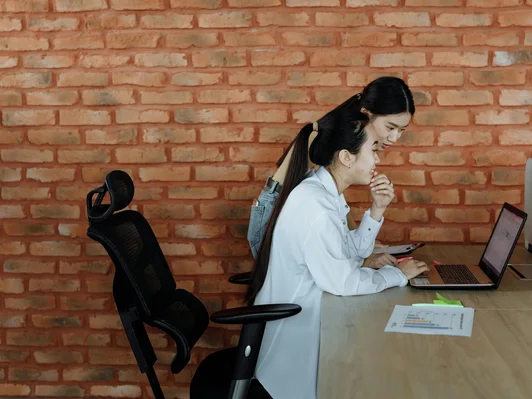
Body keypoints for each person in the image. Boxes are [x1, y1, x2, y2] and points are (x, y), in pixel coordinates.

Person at [247, 96, 429, 399]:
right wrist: (398, 275)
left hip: (316, 319)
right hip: (296, 347)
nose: (378, 159)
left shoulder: (322, 189)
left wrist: (377, 210)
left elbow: (349, 252)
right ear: (347, 157)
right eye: (373, 150)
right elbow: (343, 281)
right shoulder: (316, 204)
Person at [247, 76, 414, 269]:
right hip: (271, 218)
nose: (394, 137)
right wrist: (361, 255)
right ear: (367, 113)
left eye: (402, 129)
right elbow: (325, 201)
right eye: (390, 127)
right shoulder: (330, 136)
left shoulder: (352, 136)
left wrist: (357, 242)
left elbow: (336, 200)